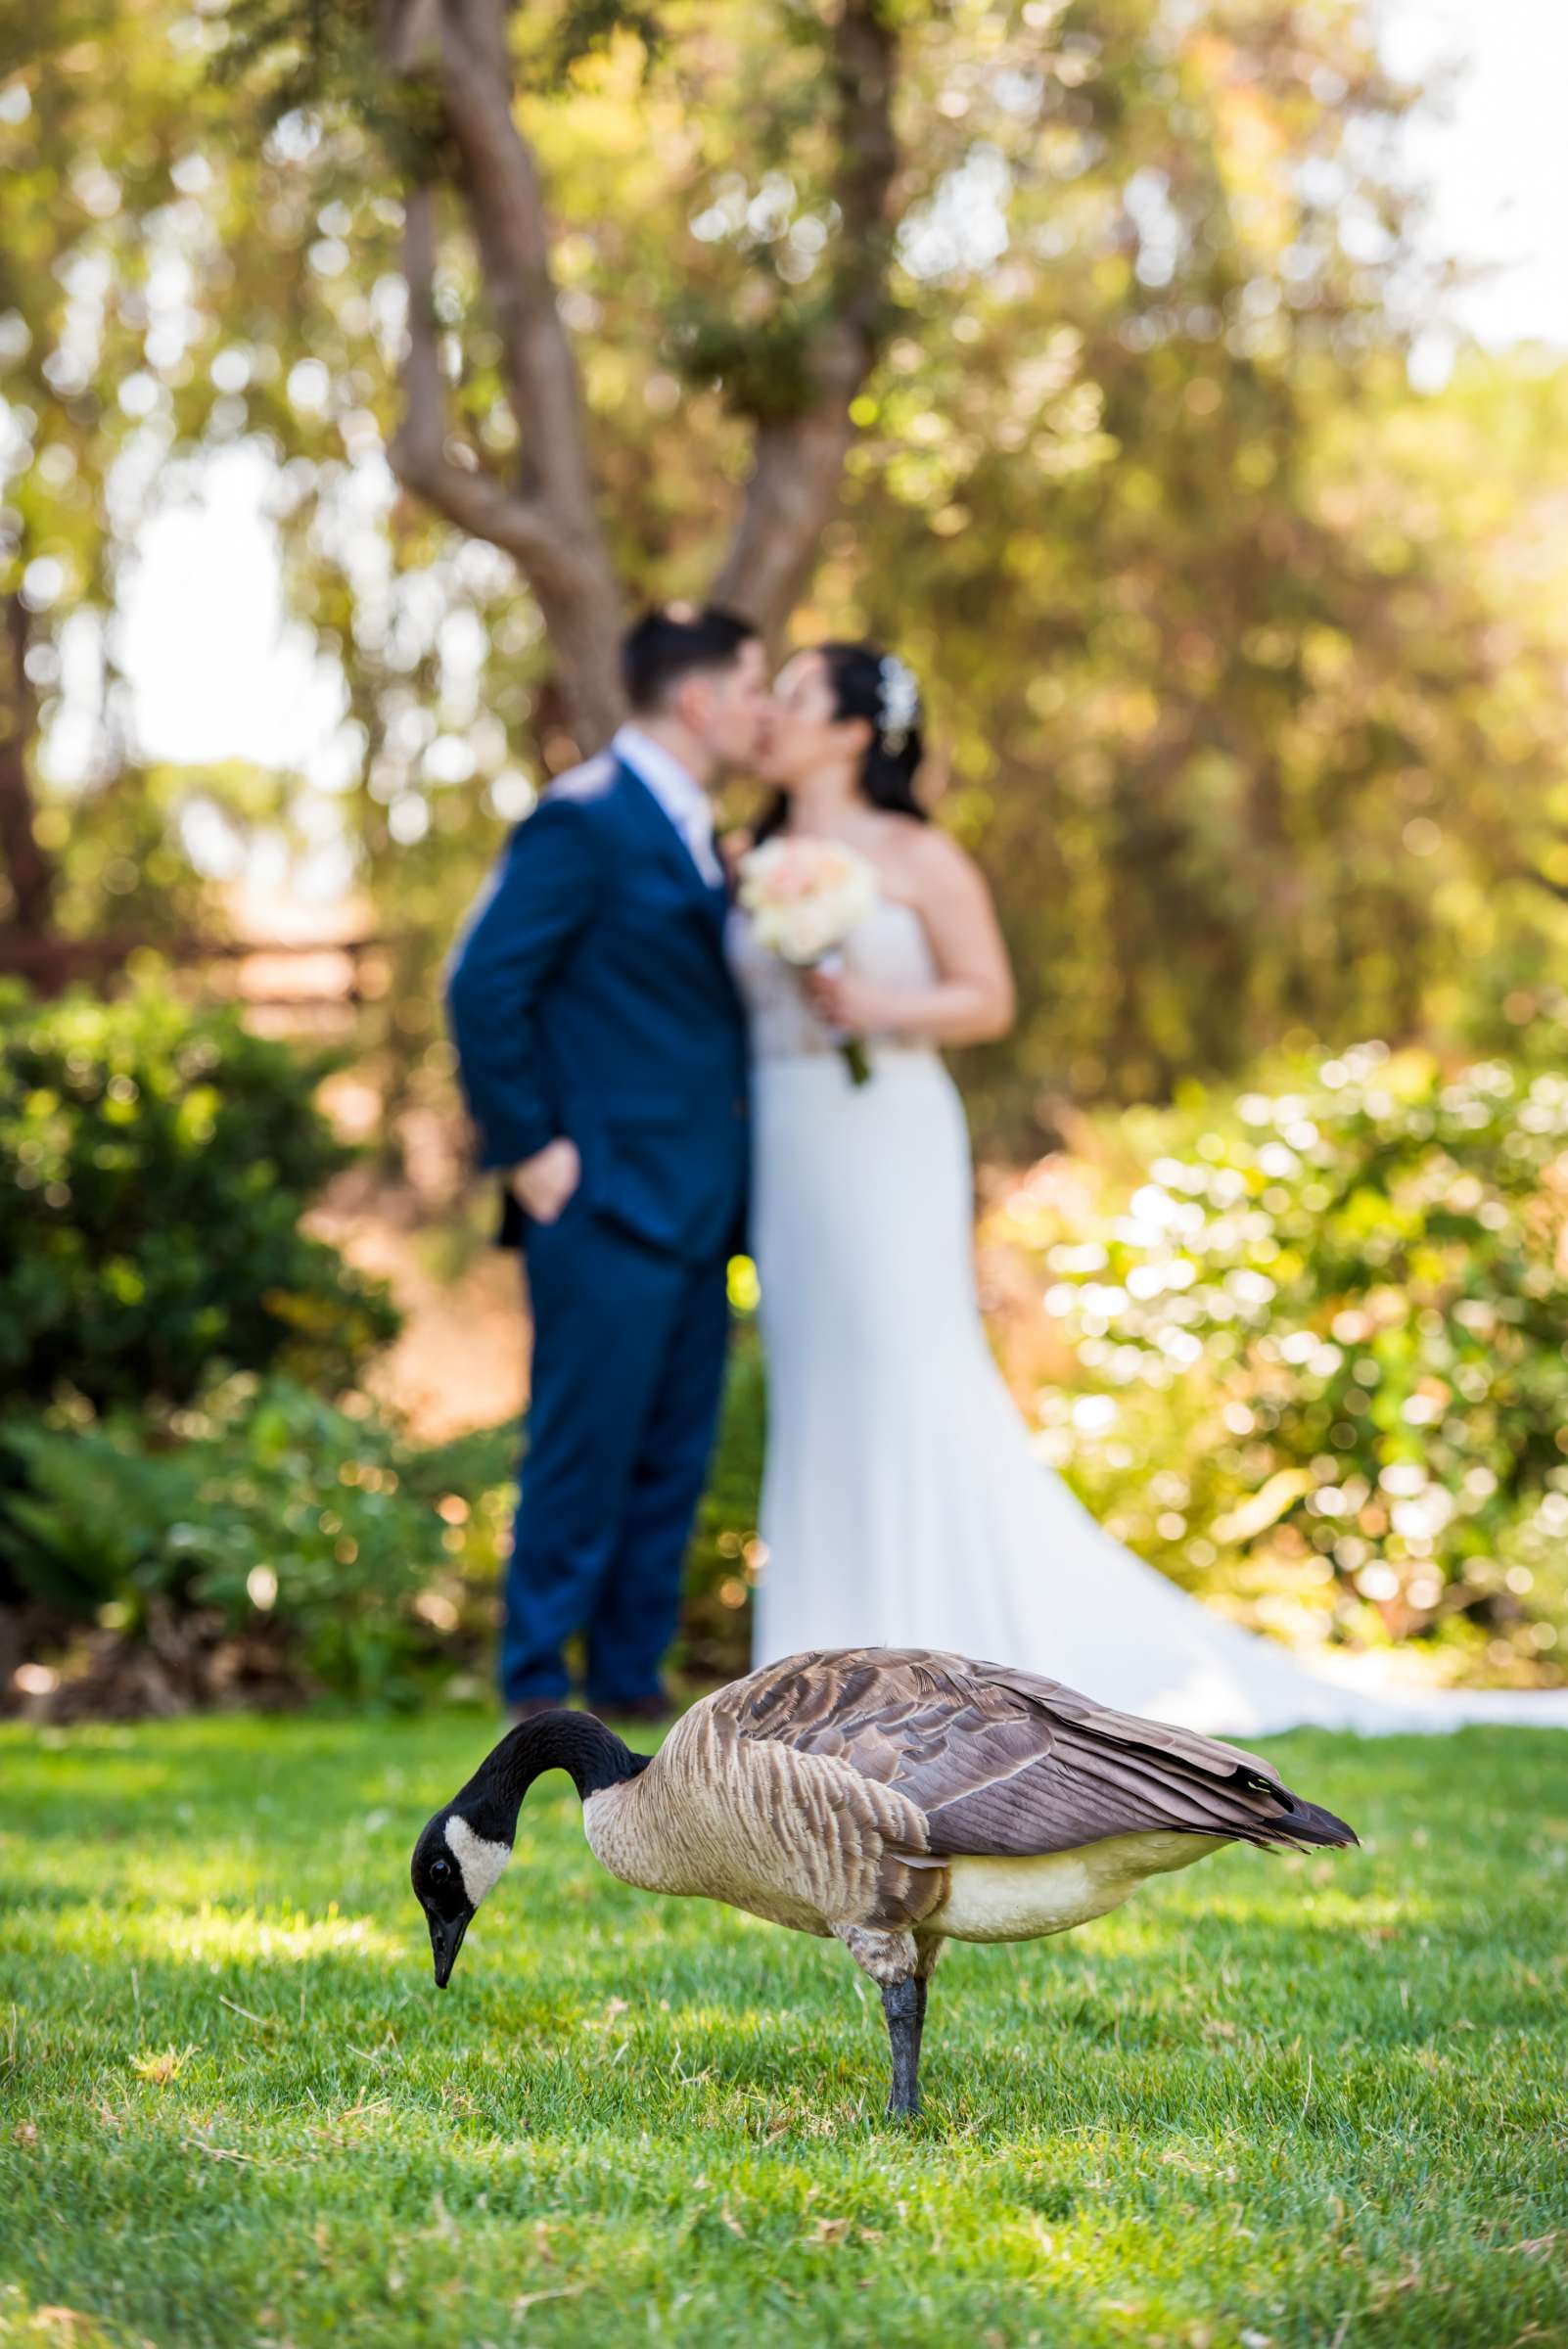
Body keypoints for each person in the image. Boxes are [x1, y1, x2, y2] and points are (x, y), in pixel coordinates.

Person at [729, 640, 1568, 1735]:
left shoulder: (915, 851)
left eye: (793, 697)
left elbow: (987, 998)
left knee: (903, 1361)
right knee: (816, 1372)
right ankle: (814, 1655)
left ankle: (932, 1643)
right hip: (787, 1138)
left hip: (885, 1127)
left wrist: (876, 1011)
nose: (770, 717)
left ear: (852, 730)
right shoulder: (749, 852)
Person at [448, 606, 769, 1721]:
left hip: (700, 1208)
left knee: (669, 1463)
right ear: (699, 700)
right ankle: (536, 1690)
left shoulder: (697, 831)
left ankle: (632, 1690)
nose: (763, 711)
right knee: (582, 1457)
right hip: (603, 1202)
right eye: (754, 687)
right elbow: (482, 985)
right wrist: (530, 1150)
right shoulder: (582, 818)